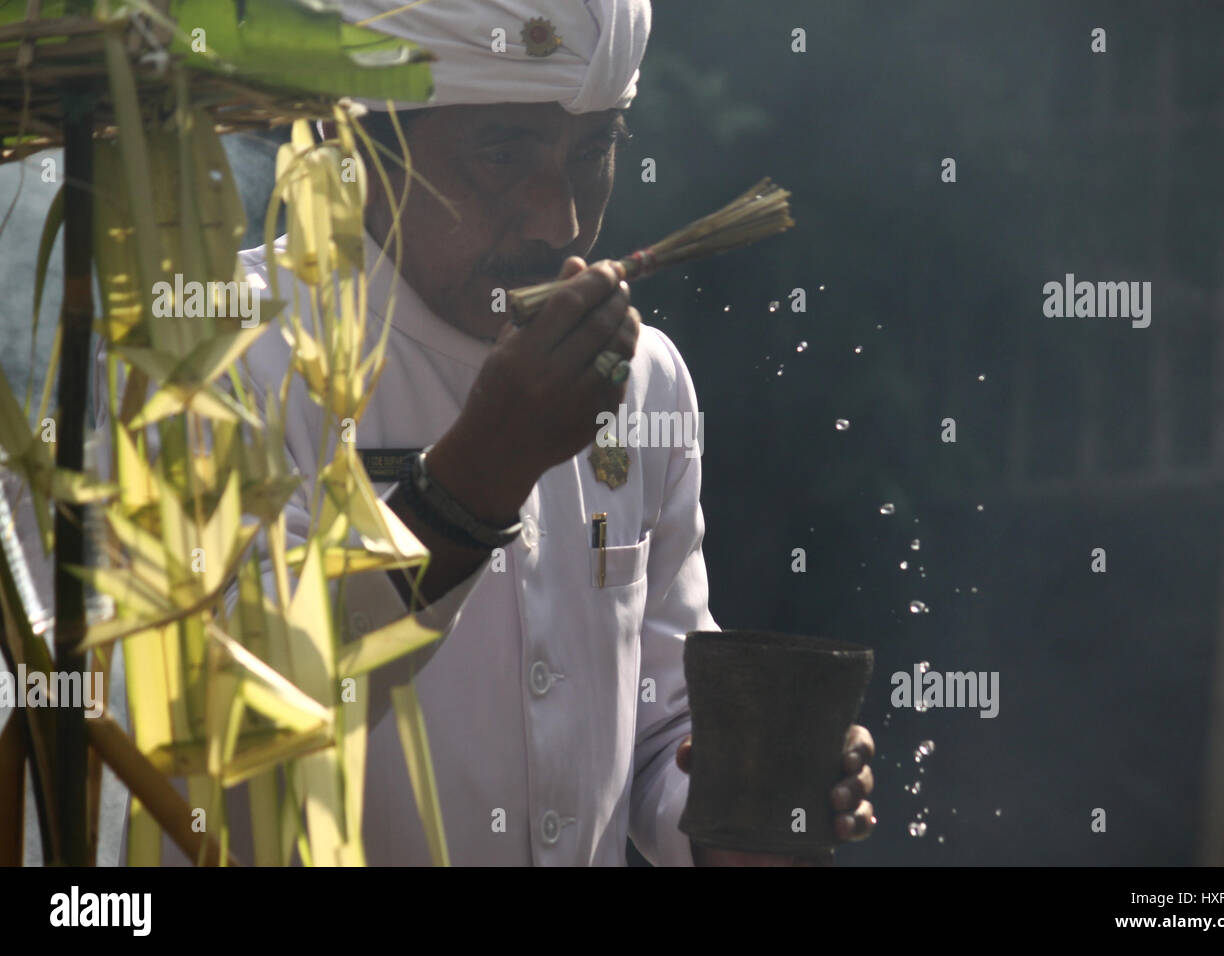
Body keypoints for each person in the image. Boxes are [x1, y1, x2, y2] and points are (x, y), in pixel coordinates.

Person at [236, 0, 878, 865]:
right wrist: (479, 476)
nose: (560, 223)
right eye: (503, 154)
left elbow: (660, 732)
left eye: (595, 153)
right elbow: (236, 718)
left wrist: (745, 807)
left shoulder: (644, 377)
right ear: (359, 148)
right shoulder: (237, 358)